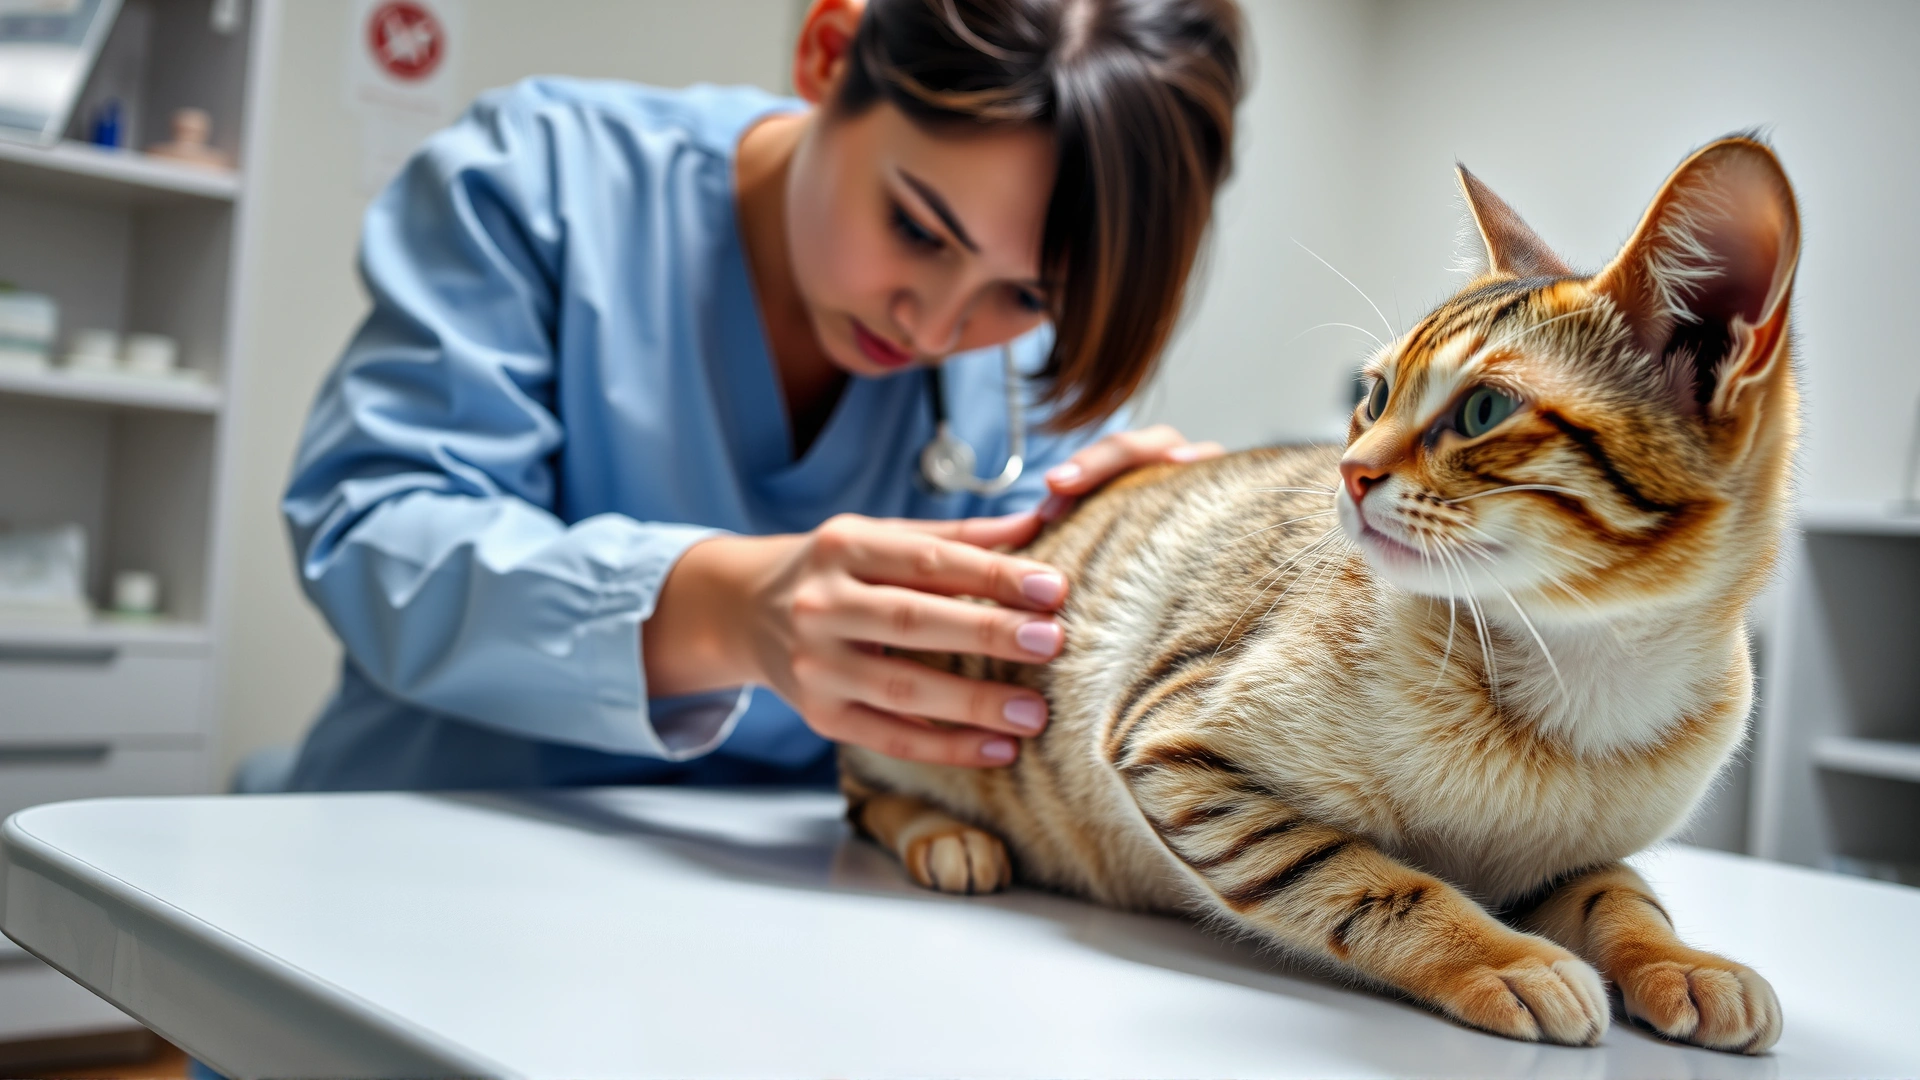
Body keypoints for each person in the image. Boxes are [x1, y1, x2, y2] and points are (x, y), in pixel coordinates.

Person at [280, 0, 1246, 792]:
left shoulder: (1025, 365)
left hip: (799, 897)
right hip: (437, 841)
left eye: (1027, 295)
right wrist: (729, 613)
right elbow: (373, 535)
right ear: (829, 54)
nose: (935, 328)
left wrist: (1131, 553)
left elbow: (1030, 674)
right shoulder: (540, 180)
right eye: (917, 229)